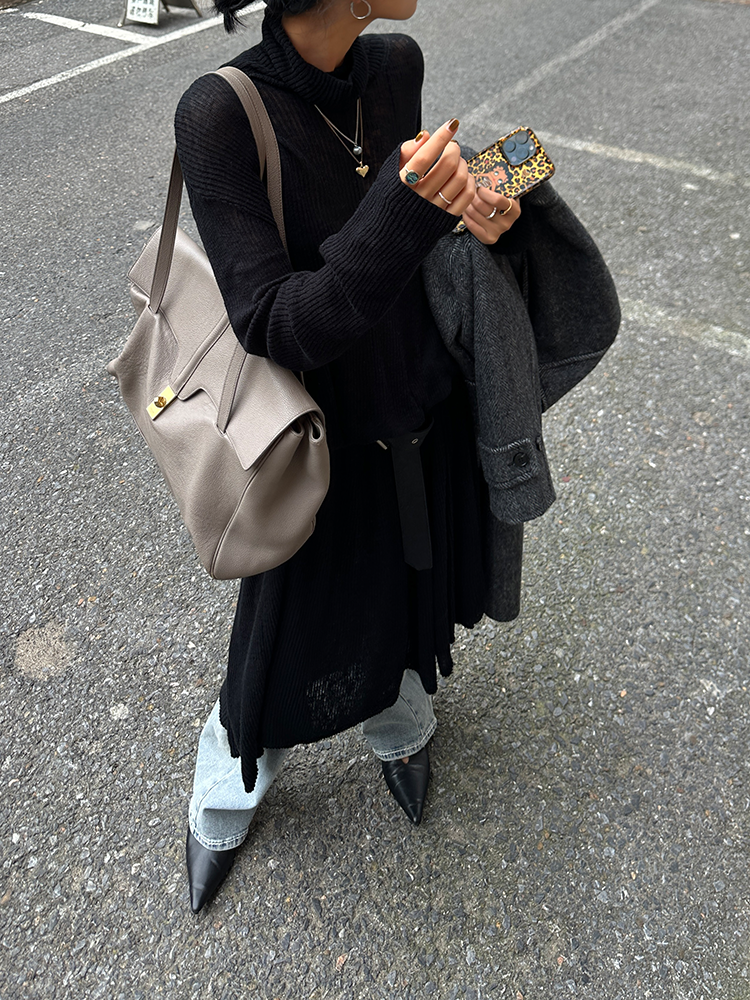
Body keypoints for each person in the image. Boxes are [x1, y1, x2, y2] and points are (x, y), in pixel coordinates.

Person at [174, 0, 521, 913]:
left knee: (407, 579)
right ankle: (229, 783)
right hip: (307, 439)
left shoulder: (395, 64)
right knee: (284, 626)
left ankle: (399, 723)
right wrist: (409, 207)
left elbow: (410, 249)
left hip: (416, 400)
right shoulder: (220, 111)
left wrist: (471, 216)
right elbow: (274, 322)